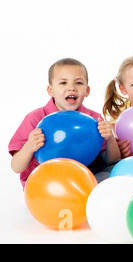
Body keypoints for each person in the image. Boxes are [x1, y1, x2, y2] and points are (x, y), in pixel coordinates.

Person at [8, 58, 121, 188]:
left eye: (78, 83)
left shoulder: (94, 119)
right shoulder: (35, 118)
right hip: (45, 182)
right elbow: (16, 167)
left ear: (87, 90)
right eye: (63, 83)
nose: (71, 88)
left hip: (83, 179)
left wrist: (110, 139)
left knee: (111, 174)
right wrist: (29, 146)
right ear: (51, 90)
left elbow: (112, 160)